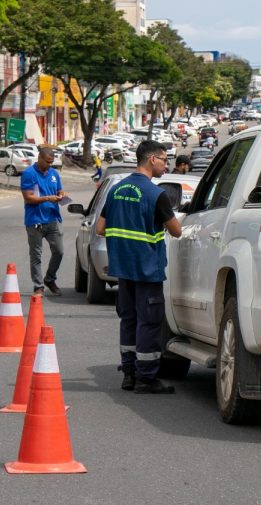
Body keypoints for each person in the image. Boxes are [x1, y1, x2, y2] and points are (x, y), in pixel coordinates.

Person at [95, 140, 182, 394]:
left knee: (129, 320)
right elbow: (176, 231)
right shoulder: (157, 195)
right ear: (152, 159)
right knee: (150, 322)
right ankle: (147, 377)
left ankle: (129, 373)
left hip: (123, 268)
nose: (167, 165)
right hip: (147, 268)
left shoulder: (116, 190)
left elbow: (100, 228)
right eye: (165, 160)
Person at [20, 147, 65, 296]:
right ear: (39, 158)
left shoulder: (54, 174)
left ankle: (50, 278)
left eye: (52, 162)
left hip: (53, 218)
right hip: (35, 220)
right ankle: (38, 286)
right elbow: (28, 197)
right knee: (36, 255)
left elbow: (59, 190)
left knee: (59, 251)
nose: (50, 165)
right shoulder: (28, 174)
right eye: (47, 162)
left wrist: (61, 195)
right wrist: (47, 198)